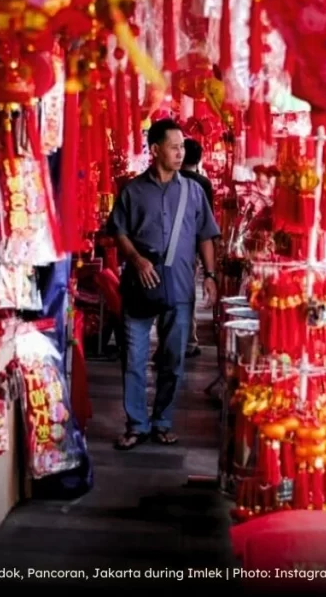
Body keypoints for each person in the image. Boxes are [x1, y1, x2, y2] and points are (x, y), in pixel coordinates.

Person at [106, 119, 221, 450]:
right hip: (139, 284)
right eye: (174, 146)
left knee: (173, 358)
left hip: (180, 285)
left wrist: (210, 277)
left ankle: (163, 420)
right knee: (134, 357)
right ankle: (136, 423)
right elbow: (118, 231)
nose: (180, 151)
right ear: (155, 150)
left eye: (182, 146)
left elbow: (205, 237)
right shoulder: (132, 190)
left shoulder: (194, 191)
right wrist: (136, 259)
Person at [179, 137, 216, 357]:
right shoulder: (203, 183)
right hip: (193, 243)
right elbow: (207, 221)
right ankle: (189, 340)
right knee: (187, 290)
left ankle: (176, 340)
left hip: (175, 243)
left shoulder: (173, 177)